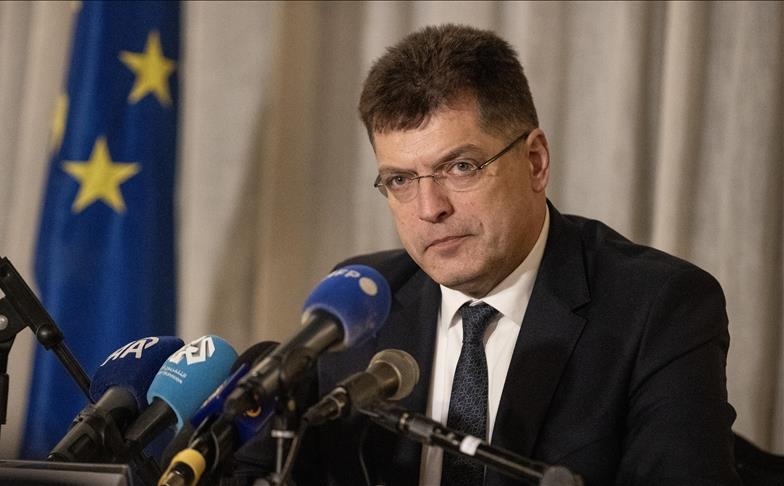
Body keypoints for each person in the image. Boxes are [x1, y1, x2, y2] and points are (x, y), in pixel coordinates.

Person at [235, 24, 741, 486]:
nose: (430, 208)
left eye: (460, 167)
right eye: (401, 180)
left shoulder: (656, 307)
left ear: (535, 162)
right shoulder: (362, 304)